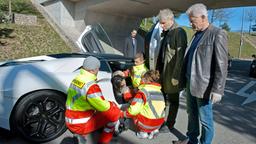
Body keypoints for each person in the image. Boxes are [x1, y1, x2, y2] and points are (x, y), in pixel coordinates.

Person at [174, 3, 228, 144]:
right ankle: (192, 141)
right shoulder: (196, 35)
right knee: (192, 116)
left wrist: (218, 90)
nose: (191, 23)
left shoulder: (217, 33)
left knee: (205, 120)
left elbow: (221, 65)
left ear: (204, 17)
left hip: (204, 87)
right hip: (190, 84)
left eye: (193, 20)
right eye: (190, 21)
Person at [65, 56, 121, 144]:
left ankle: (82, 133)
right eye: (98, 69)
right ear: (93, 70)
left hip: (70, 118)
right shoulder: (91, 86)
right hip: (80, 124)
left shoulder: (77, 79)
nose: (98, 70)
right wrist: (115, 108)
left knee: (103, 111)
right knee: (114, 115)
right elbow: (103, 107)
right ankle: (104, 141)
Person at [156, 9, 187, 132]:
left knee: (173, 100)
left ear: (171, 20)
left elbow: (181, 57)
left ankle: (169, 124)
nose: (161, 25)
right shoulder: (168, 32)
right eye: (160, 23)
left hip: (172, 74)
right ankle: (159, 120)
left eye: (163, 23)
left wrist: (176, 76)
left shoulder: (179, 32)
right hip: (163, 72)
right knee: (162, 97)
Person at [120, 70, 166, 139]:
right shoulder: (159, 91)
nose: (141, 80)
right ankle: (153, 130)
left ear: (145, 79)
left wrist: (122, 114)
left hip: (146, 123)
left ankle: (142, 133)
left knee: (131, 109)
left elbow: (133, 111)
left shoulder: (143, 92)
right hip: (159, 123)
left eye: (142, 78)